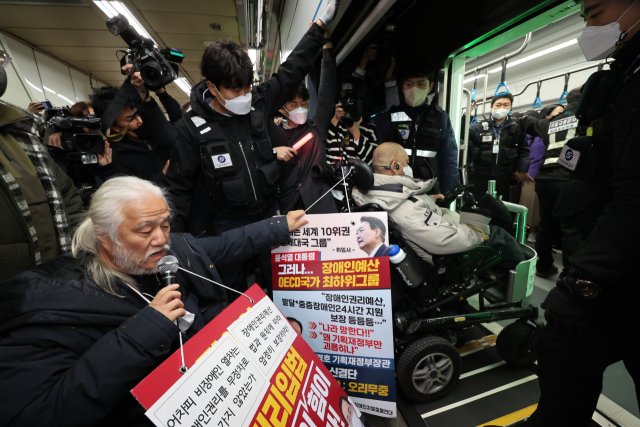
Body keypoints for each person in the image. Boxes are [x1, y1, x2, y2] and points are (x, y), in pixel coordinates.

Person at [0, 176, 308, 426]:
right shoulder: (51, 308)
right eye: (146, 230)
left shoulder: (175, 251)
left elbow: (228, 243)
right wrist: (143, 332)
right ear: (104, 236)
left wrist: (279, 225)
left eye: (165, 224)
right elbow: (39, 413)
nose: (161, 239)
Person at [504, 1, 640, 426]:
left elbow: (635, 196)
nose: (587, 24)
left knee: (565, 342)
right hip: (613, 250)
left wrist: (584, 278)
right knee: (565, 354)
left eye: (594, 12)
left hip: (618, 255)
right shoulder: (623, 76)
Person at [166, 6, 339, 297]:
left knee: (284, 282)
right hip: (227, 225)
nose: (245, 96)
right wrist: (175, 242)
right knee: (231, 291)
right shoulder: (191, 128)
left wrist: (318, 29)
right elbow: (179, 188)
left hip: (270, 214)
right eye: (235, 90)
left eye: (248, 87)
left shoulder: (258, 103)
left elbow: (291, 70)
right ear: (212, 87)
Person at [352, 143, 523, 265]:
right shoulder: (404, 210)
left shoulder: (380, 192)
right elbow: (443, 240)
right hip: (448, 251)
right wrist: (477, 230)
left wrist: (431, 199)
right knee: (498, 232)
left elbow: (410, 202)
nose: (408, 167)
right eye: (406, 163)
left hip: (442, 226)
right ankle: (518, 282)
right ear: (395, 166)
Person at [0, 95, 83, 281]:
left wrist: (77, 246)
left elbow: (67, 194)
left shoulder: (21, 134)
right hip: (10, 288)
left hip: (53, 279)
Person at [519, 89, 586, 278]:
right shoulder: (586, 118)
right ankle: (568, 273)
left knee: (546, 224)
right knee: (570, 227)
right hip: (568, 178)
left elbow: (526, 122)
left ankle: (543, 266)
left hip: (545, 178)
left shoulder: (551, 121)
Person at [274, 32, 338, 215]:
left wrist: (326, 46)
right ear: (283, 108)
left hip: (320, 206)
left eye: (303, 103)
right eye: (294, 104)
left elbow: (327, 90)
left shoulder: (316, 127)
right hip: (289, 208)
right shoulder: (274, 134)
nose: (300, 108)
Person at [373, 60, 459, 194]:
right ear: (402, 86)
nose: (414, 89)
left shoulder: (440, 118)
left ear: (430, 87)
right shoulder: (387, 118)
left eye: (420, 84)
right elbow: (376, 157)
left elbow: (449, 158)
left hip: (429, 192)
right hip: (395, 191)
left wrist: (448, 193)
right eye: (409, 84)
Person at [92, 86, 170, 187]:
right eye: (130, 119)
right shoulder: (119, 160)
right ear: (114, 126)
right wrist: (163, 175)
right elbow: (138, 194)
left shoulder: (159, 131)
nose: (140, 121)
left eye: (138, 114)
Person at [468, 93, 531, 202]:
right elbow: (460, 134)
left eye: (506, 105)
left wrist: (523, 169)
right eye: (498, 105)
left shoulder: (516, 128)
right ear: (491, 107)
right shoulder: (478, 126)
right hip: (479, 175)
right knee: (478, 207)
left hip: (505, 175)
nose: (501, 108)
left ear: (510, 107)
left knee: (502, 209)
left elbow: (523, 150)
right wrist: (466, 114)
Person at [520, 104, 564, 243]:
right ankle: (533, 232)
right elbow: (531, 153)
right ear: (546, 116)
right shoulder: (538, 133)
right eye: (558, 113)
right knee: (533, 207)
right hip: (534, 174)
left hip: (555, 174)